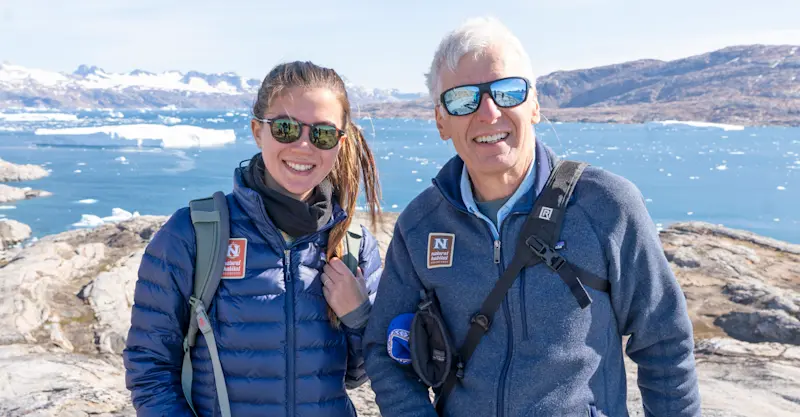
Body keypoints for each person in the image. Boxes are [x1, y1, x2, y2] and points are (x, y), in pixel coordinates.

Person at [363, 17, 701, 417]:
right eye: (462, 99)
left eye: (507, 92)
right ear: (441, 121)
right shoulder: (422, 225)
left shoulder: (605, 205)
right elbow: (386, 352)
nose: (488, 112)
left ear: (535, 105)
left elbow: (664, 342)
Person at [123, 61, 384, 417]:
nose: (304, 146)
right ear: (257, 131)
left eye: (322, 134)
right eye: (286, 128)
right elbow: (150, 367)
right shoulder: (196, 233)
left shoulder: (353, 244)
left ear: (340, 142)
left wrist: (358, 317)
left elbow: (358, 375)